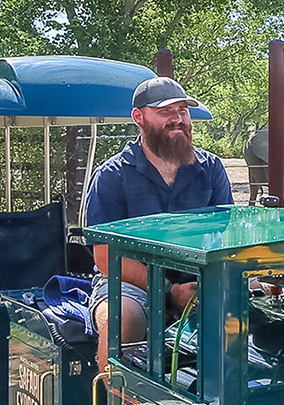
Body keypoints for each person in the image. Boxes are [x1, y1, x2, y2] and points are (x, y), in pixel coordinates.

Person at [84, 77, 233, 371]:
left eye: (183, 111)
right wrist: (168, 291)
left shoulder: (211, 169)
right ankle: (113, 398)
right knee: (121, 320)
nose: (177, 119)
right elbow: (105, 257)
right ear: (138, 117)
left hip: (201, 280)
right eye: (165, 111)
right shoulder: (111, 175)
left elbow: (225, 238)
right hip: (128, 283)